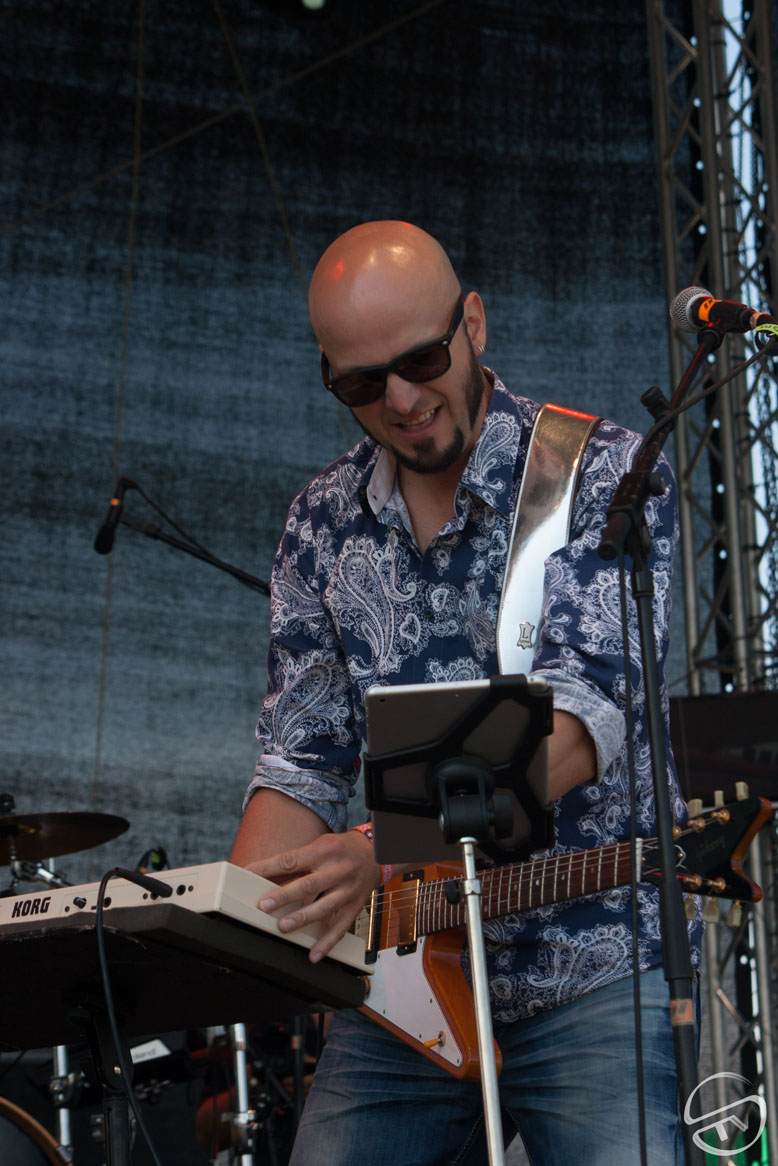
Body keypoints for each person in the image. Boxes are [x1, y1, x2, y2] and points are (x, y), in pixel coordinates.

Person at [230, 220, 701, 1165]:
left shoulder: (601, 474)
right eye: (363, 384)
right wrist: (223, 924)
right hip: (404, 982)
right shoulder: (320, 523)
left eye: (421, 360)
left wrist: (378, 854)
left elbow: (577, 725)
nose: (402, 401)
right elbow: (300, 761)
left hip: (596, 964)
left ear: (473, 324)